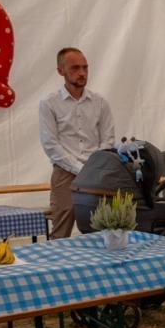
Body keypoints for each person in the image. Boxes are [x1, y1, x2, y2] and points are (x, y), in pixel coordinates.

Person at [37, 48, 115, 238]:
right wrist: (81, 169)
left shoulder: (100, 102)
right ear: (60, 71)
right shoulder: (49, 103)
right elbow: (50, 144)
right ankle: (57, 266)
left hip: (96, 172)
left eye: (85, 68)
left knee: (103, 227)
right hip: (65, 174)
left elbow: (108, 139)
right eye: (75, 68)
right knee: (61, 230)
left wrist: (95, 166)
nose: (82, 73)